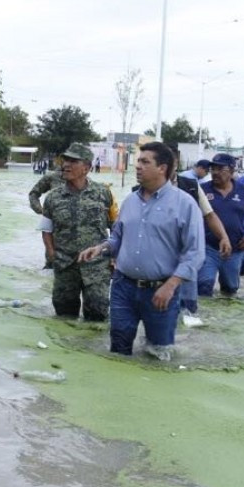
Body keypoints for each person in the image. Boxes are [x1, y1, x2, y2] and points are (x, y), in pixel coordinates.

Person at [78, 142, 204, 361]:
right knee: (118, 349)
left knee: (159, 353)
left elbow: (195, 253)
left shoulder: (185, 204)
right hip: (123, 287)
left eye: (145, 162)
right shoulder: (130, 201)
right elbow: (118, 238)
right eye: (138, 161)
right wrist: (101, 248)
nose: (137, 166)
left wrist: (170, 286)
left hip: (161, 291)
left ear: (162, 168)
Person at [40, 143, 115, 321]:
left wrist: (114, 257)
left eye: (73, 161)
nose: (66, 165)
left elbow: (116, 227)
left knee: (97, 315)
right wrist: (52, 255)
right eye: (65, 160)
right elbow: (46, 229)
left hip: (97, 267)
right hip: (65, 266)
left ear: (86, 168)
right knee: (64, 316)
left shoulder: (103, 193)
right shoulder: (53, 197)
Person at [171, 165, 232, 327]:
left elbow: (209, 214)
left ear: (174, 164)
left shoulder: (191, 186)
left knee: (188, 310)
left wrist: (223, 237)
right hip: (158, 258)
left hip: (186, 254)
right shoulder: (142, 190)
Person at [198, 153, 244, 297]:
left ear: (232, 171)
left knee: (230, 290)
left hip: (234, 249)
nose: (215, 172)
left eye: (221, 169)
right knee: (204, 286)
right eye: (213, 169)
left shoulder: (243, 191)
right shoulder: (202, 190)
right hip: (208, 247)